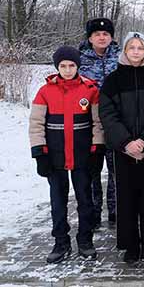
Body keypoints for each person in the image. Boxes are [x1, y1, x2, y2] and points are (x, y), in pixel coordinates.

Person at [29, 46, 104, 263]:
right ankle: (60, 242)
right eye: (63, 66)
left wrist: (97, 150)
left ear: (78, 66)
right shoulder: (45, 92)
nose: (68, 70)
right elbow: (36, 124)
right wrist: (40, 153)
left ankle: (85, 240)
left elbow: (97, 123)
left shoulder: (90, 89)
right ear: (57, 67)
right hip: (55, 157)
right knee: (58, 201)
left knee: (85, 199)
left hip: (82, 156)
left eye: (72, 65)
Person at [100, 32, 144, 264]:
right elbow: (107, 114)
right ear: (125, 51)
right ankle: (130, 244)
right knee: (126, 197)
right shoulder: (113, 80)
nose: (136, 51)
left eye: (140, 47)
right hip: (123, 149)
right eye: (132, 48)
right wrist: (126, 141)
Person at [79, 17, 120, 229]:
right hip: (89, 124)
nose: (102, 37)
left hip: (115, 123)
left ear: (111, 37)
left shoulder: (121, 57)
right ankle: (93, 211)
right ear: (90, 38)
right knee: (92, 170)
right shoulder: (79, 60)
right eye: (97, 34)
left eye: (105, 34)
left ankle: (115, 210)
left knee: (115, 170)